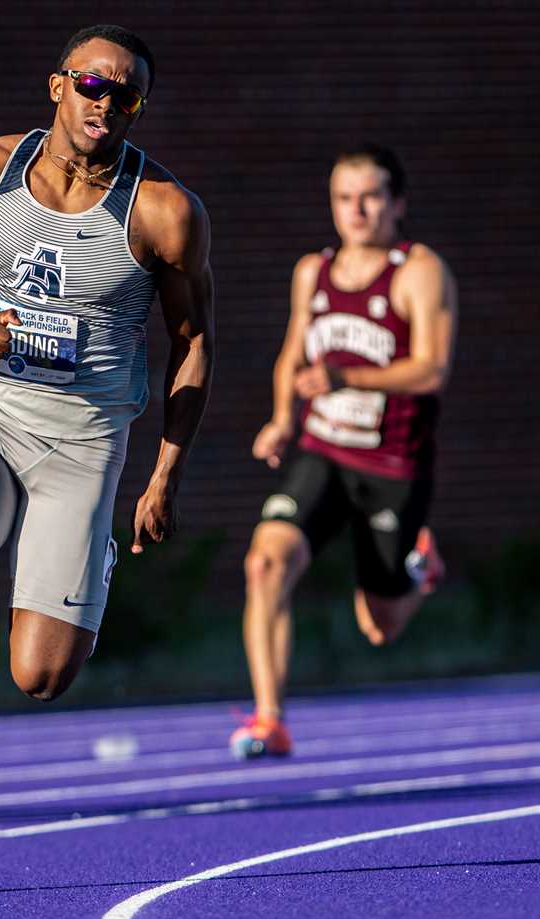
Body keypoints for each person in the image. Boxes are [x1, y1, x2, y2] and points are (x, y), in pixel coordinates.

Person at [0, 24, 215, 899]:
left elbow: (193, 343)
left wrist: (164, 471)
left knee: (41, 675)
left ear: (138, 108)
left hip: (85, 435)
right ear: (57, 84)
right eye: (92, 84)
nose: (106, 103)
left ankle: (81, 546)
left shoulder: (165, 211)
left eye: (125, 94)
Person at [230, 145, 456, 760]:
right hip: (323, 452)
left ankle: (419, 571)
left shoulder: (418, 270)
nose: (356, 210)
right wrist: (281, 420)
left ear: (397, 203)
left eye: (371, 196)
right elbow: (292, 355)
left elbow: (432, 368)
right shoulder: (314, 271)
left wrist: (348, 380)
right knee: (265, 562)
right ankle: (269, 719)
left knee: (380, 626)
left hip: (394, 468)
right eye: (343, 197)